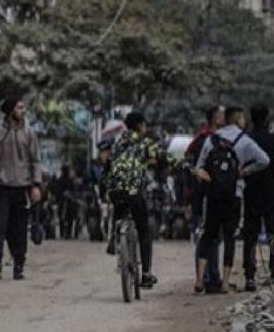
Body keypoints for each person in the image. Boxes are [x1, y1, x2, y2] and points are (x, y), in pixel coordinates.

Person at [194, 106, 270, 294]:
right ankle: (226, 283)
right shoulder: (244, 140)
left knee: (208, 235)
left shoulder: (211, 139)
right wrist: (243, 172)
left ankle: (199, 280)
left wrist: (207, 178)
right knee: (229, 238)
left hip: (212, 195)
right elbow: (264, 160)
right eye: (242, 119)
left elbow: (199, 167)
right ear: (237, 120)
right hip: (234, 194)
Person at [103, 112, 177, 290]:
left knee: (119, 208)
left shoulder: (117, 142)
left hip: (115, 191)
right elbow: (160, 159)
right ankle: (145, 274)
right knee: (144, 230)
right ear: (140, 125)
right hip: (135, 192)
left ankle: (114, 238)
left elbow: (107, 165)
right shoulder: (144, 143)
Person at [0, 99, 43, 281]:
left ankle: (19, 265)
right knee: (0, 227)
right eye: (19, 107)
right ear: (10, 110)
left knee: (20, 229)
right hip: (1, 187)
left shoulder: (29, 133)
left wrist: (36, 185)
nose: (23, 111)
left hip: (23, 188)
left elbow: (35, 161)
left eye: (24, 107)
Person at [186, 106, 227, 288]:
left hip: (213, 192)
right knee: (207, 235)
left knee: (214, 236)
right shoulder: (206, 139)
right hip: (205, 194)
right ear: (213, 118)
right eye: (220, 115)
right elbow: (201, 168)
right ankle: (208, 277)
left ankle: (213, 275)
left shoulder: (215, 138)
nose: (223, 117)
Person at [242, 105, 274, 292]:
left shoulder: (246, 140)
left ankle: (249, 276)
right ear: (267, 119)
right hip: (271, 193)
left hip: (250, 192)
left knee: (250, 236)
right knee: (272, 233)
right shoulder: (272, 140)